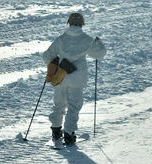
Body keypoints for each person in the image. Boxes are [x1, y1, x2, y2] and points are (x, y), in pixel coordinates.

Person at [42, 12, 106, 146]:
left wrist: (54, 66)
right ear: (82, 24)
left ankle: (55, 131)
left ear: (69, 23)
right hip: (77, 78)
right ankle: (69, 134)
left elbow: (47, 56)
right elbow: (100, 55)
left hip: (60, 77)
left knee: (59, 105)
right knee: (73, 107)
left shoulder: (60, 39)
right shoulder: (87, 40)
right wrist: (99, 43)